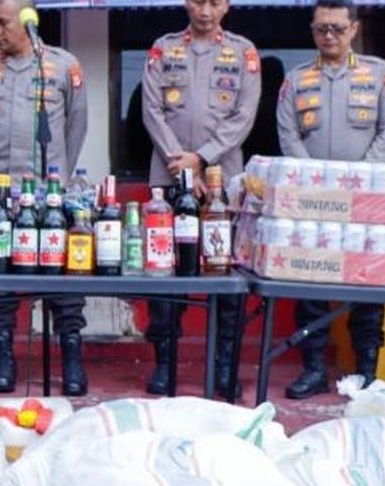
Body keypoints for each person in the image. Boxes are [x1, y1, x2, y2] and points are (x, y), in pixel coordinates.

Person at [276, 0, 385, 398]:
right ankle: (313, 368)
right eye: (320, 29)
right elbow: (288, 134)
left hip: (366, 200)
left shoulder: (380, 74)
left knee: (368, 286)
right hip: (313, 201)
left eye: (336, 28)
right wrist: (318, 181)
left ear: (353, 30)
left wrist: (359, 177)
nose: (328, 36)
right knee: (311, 287)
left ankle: (366, 372)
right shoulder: (297, 79)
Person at [140, 0, 260, 396]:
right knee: (164, 272)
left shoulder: (243, 52)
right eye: (197, 1)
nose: (204, 10)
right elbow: (151, 109)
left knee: (223, 273)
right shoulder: (163, 47)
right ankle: (164, 364)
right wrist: (183, 166)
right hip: (169, 179)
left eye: (214, 2)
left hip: (219, 182)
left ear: (226, 5)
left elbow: (244, 115)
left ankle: (224, 368)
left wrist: (202, 158)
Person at [0, 0, 89, 396]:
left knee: (63, 286)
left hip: (47, 197)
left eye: (3, 23)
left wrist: (58, 180)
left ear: (27, 20)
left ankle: (71, 358)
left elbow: (76, 127)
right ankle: (4, 358)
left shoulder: (61, 65)